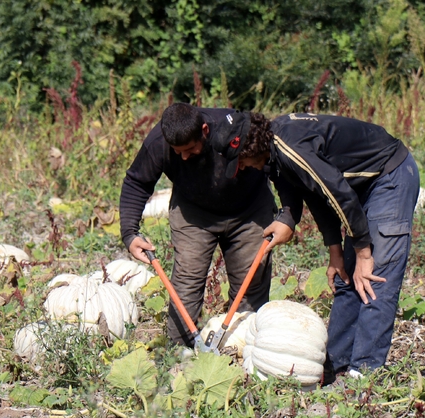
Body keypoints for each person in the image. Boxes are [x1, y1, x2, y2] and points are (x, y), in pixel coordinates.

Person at [236, 112, 420, 378]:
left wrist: (365, 252)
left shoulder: (292, 149)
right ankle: (335, 366)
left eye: (241, 161)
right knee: (347, 277)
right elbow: (318, 196)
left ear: (251, 149)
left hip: (389, 176)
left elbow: (338, 194)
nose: (241, 167)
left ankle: (364, 374)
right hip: (359, 188)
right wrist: (336, 252)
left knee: (374, 277)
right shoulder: (275, 154)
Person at [119, 103, 297, 346]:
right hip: (194, 213)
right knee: (186, 283)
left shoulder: (235, 129)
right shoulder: (158, 142)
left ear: (204, 130)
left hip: (249, 210)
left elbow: (277, 163)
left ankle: (243, 350)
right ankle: (179, 352)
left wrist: (287, 215)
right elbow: (137, 182)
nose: (183, 156)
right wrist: (130, 233)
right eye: (177, 151)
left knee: (251, 283)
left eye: (190, 149)